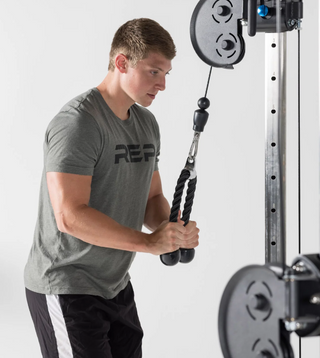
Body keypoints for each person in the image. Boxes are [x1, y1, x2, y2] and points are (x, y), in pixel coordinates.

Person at [24, 18, 200, 358]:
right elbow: (70, 216)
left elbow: (151, 199)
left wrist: (171, 229)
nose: (162, 84)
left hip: (115, 285)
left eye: (166, 74)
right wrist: (150, 243)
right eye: (153, 72)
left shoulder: (146, 124)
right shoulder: (78, 123)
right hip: (66, 285)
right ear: (122, 62)